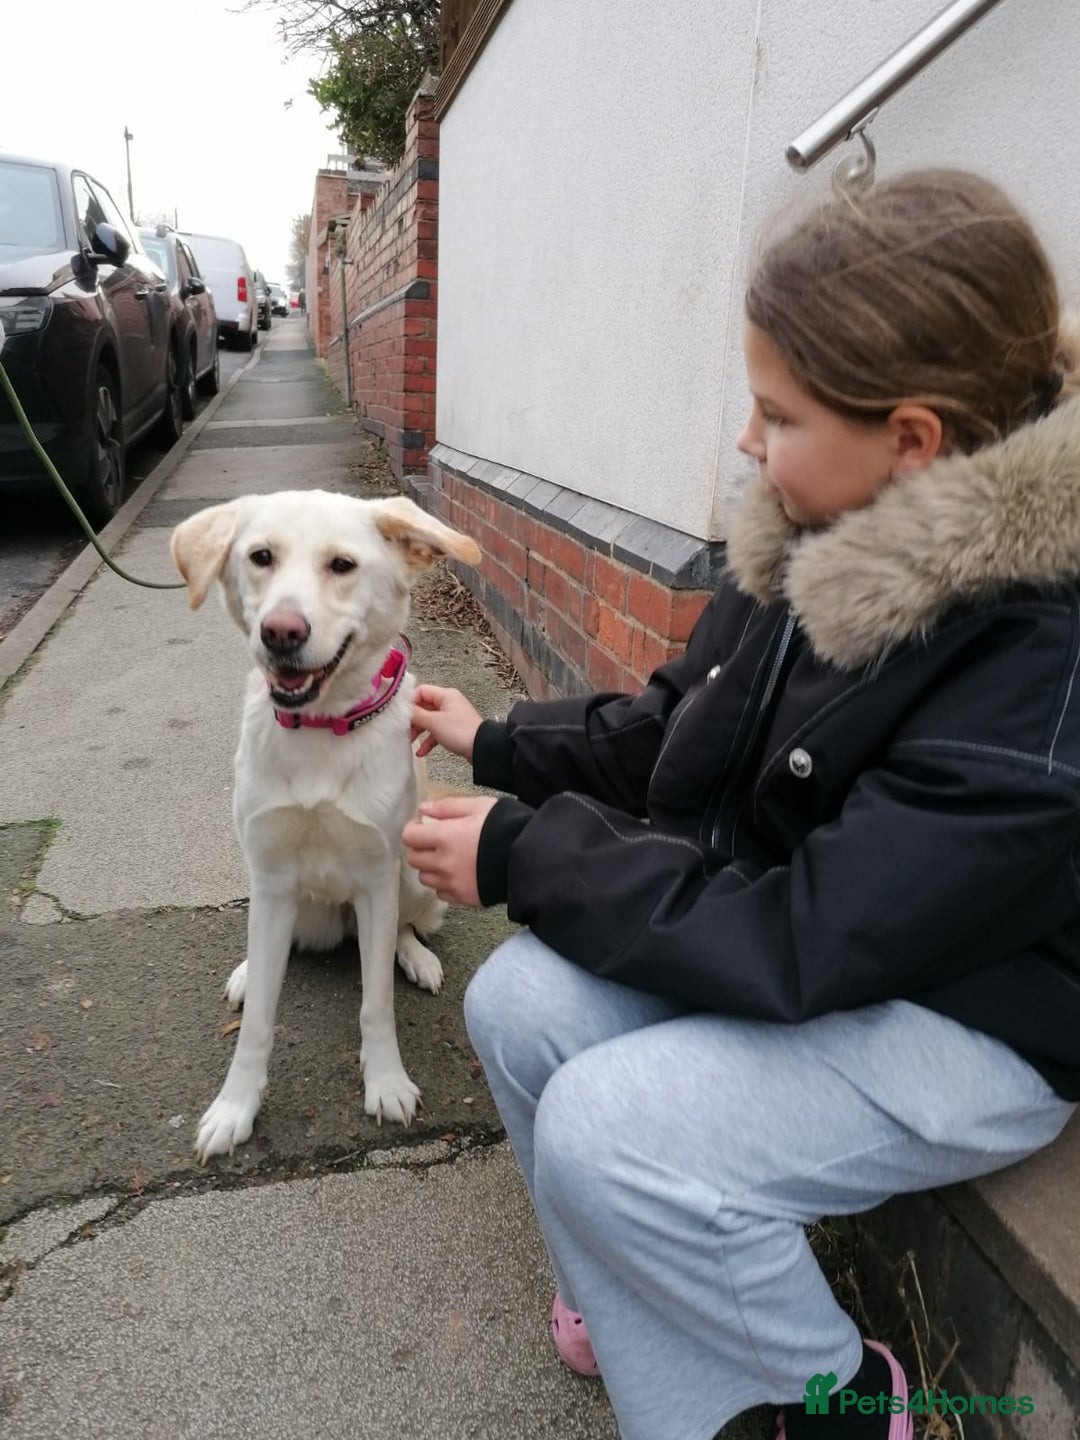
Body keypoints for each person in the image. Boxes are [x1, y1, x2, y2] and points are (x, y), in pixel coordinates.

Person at [402, 169, 1080, 1440]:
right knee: (516, 1001)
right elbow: (678, 727)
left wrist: (531, 857)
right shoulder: (823, 529)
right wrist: (497, 746)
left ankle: (836, 1402)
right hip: (827, 944)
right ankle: (640, 1298)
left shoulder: (1040, 653)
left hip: (970, 1015)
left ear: (913, 439)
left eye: (775, 414)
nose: (745, 443)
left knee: (613, 1134)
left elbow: (816, 935)